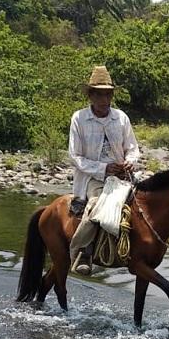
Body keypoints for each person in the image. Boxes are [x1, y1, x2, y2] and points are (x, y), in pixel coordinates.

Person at [68, 65, 140, 276]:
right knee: (96, 207)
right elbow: (75, 156)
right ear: (90, 96)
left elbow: (133, 148)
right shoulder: (79, 119)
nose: (104, 99)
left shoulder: (121, 118)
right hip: (94, 178)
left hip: (123, 176)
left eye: (107, 94)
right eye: (99, 94)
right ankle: (83, 251)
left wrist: (129, 162)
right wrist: (103, 168)